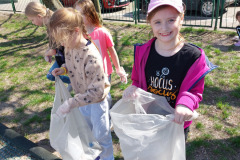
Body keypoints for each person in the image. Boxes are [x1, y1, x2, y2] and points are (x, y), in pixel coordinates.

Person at [123, 0, 216, 140]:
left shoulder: (193, 57)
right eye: (157, 22)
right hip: (149, 119)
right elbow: (137, 79)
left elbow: (195, 91)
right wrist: (134, 88)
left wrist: (185, 104)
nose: (164, 28)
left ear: (181, 18)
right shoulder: (142, 52)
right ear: (150, 23)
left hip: (176, 123)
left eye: (171, 20)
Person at [50, 8, 114, 160]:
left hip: (97, 102)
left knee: (101, 135)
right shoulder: (69, 47)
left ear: (76, 31)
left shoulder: (91, 56)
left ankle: (106, 157)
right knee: (87, 131)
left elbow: (97, 92)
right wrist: (63, 69)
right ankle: (94, 155)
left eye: (63, 39)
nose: (61, 43)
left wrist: (72, 102)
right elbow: (73, 65)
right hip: (81, 99)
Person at [74, 0, 128, 107]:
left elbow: (112, 51)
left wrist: (118, 68)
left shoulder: (102, 32)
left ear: (90, 14)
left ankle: (106, 115)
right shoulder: (78, 35)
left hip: (103, 73)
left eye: (81, 14)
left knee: (104, 97)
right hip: (87, 74)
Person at [24, 2, 72, 91]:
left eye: (32, 20)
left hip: (67, 58)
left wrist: (46, 54)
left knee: (51, 75)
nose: (32, 23)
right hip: (65, 56)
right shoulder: (52, 20)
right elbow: (53, 46)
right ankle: (72, 82)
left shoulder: (52, 25)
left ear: (39, 16)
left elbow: (53, 50)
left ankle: (72, 82)